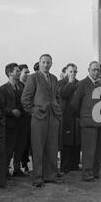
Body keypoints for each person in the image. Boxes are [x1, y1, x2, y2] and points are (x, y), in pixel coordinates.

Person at [21, 54, 63, 188]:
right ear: (39, 63)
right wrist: (33, 111)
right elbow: (25, 98)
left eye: (48, 62)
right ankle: (38, 177)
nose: (46, 65)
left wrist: (57, 108)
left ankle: (50, 175)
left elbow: (57, 96)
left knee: (52, 147)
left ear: (51, 64)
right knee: (38, 147)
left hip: (53, 116)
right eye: (43, 62)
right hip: (39, 117)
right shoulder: (33, 77)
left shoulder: (54, 78)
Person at [71, 61, 101, 182]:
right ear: (88, 70)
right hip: (88, 122)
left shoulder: (100, 84)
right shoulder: (82, 84)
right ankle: (87, 174)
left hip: (100, 122)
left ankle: (95, 172)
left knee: (97, 150)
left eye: (98, 70)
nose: (96, 72)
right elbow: (75, 103)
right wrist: (82, 117)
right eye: (94, 70)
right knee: (88, 150)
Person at [0, 63, 27, 178]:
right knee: (9, 147)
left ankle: (17, 169)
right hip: (10, 123)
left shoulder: (23, 86)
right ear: (10, 73)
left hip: (23, 121)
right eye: (16, 71)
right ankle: (5, 170)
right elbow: (0, 106)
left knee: (20, 146)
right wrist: (11, 111)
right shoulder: (3, 89)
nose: (19, 73)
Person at [58, 63, 81, 174]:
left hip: (77, 116)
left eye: (75, 72)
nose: (73, 74)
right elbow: (63, 94)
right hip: (66, 116)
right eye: (71, 71)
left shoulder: (79, 83)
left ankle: (75, 165)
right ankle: (65, 166)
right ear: (66, 72)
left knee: (77, 141)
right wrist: (70, 83)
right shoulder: (61, 83)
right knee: (67, 142)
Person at [18, 64, 31, 173]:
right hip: (19, 119)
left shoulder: (29, 85)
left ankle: (25, 163)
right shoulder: (18, 86)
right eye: (25, 72)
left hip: (29, 119)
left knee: (27, 143)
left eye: (28, 72)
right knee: (20, 144)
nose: (27, 74)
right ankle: (20, 164)